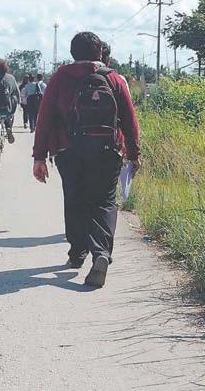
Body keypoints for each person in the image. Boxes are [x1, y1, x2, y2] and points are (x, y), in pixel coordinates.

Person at [32, 31, 141, 288]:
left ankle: (77, 252)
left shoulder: (60, 77)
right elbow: (129, 119)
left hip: (68, 150)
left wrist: (39, 157)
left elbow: (44, 118)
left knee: (75, 199)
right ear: (100, 52)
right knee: (104, 202)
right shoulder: (114, 78)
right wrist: (134, 154)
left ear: (72, 53)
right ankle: (101, 253)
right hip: (108, 150)